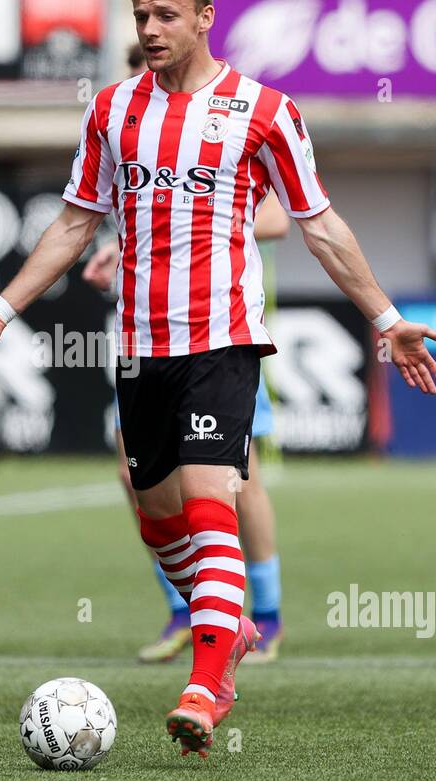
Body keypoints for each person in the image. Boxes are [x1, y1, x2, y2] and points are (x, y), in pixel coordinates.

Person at [0, 0, 436, 759]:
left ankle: (208, 686)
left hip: (223, 341)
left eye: (167, 14)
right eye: (140, 16)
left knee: (214, 499)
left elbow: (319, 225)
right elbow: (73, 223)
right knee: (154, 511)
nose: (151, 28)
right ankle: (228, 622)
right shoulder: (112, 112)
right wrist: (0, 310)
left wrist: (386, 317)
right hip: (140, 345)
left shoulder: (265, 111)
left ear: (206, 17)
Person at [82, 41, 291, 665]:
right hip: (144, 337)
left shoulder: (224, 125)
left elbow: (281, 216)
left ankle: (268, 616)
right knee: (134, 476)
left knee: (231, 480)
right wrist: (112, 258)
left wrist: (199, 223)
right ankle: (186, 607)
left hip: (218, 334)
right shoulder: (124, 130)